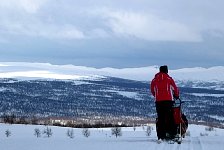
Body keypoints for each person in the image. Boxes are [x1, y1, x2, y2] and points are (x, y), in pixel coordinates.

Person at [150, 65, 179, 140]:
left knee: (161, 118)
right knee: (170, 117)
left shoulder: (154, 80)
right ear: (166, 71)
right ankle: (172, 134)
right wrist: (176, 95)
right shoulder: (169, 79)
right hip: (168, 101)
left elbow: (153, 91)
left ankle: (161, 136)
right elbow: (175, 88)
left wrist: (157, 96)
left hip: (158, 101)